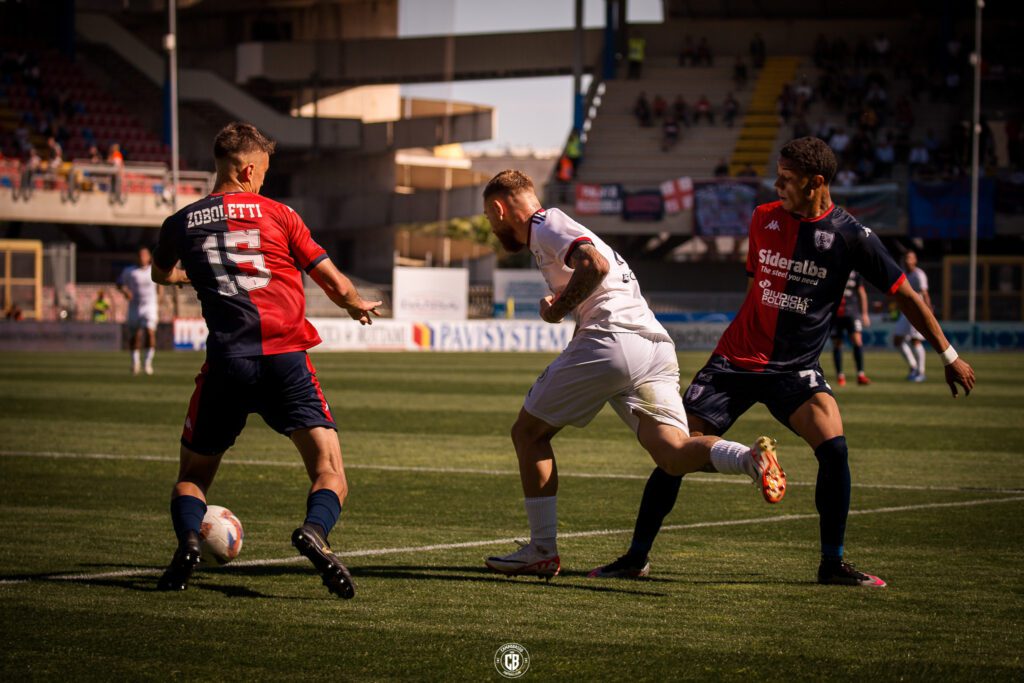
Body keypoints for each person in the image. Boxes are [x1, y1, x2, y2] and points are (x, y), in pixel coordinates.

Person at [590, 137, 975, 587]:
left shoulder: (852, 236)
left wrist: (948, 355)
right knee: (676, 450)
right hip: (733, 363)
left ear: (816, 183)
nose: (777, 186)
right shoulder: (763, 218)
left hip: (794, 371)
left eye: (787, 179)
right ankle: (636, 557)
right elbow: (756, 285)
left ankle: (832, 564)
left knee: (834, 450)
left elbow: (906, 296)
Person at [479, 170, 787, 578]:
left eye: (489, 216)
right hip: (653, 345)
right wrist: (568, 300)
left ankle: (541, 549)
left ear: (499, 209)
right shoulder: (548, 234)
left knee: (528, 433)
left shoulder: (546, 222)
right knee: (673, 454)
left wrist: (557, 310)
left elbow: (595, 264)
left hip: (612, 340)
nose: (491, 224)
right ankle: (749, 459)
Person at [151, 122, 381, 598]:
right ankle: (315, 531)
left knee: (192, 477)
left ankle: (189, 540)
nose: (263, 182)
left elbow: (161, 274)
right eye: (263, 173)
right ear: (248, 170)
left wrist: (197, 275)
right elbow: (335, 283)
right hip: (285, 360)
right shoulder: (280, 214)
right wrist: (355, 303)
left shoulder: (180, 222)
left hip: (227, 364)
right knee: (329, 470)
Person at [116, 246, 160, 375]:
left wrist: (160, 299)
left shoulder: (154, 269)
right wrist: (125, 291)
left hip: (150, 306)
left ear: (149, 257)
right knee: (135, 335)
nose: (142, 257)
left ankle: (148, 363)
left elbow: (161, 285)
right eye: (140, 255)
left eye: (144, 255)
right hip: (134, 306)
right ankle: (135, 362)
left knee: (150, 332)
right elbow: (119, 283)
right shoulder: (129, 271)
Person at [893, 250, 930, 382]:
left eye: (909, 257)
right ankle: (913, 366)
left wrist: (928, 311)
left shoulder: (919, 275)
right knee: (897, 340)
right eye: (905, 257)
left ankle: (921, 372)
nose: (907, 260)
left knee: (915, 340)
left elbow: (925, 293)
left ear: (915, 260)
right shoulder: (903, 273)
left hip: (917, 310)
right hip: (906, 312)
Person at [830, 271, 871, 386]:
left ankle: (860, 374)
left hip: (852, 312)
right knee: (837, 344)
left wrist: (864, 314)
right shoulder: (833, 268)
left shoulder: (856, 273)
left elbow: (862, 292)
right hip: (835, 312)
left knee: (857, 341)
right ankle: (840, 376)